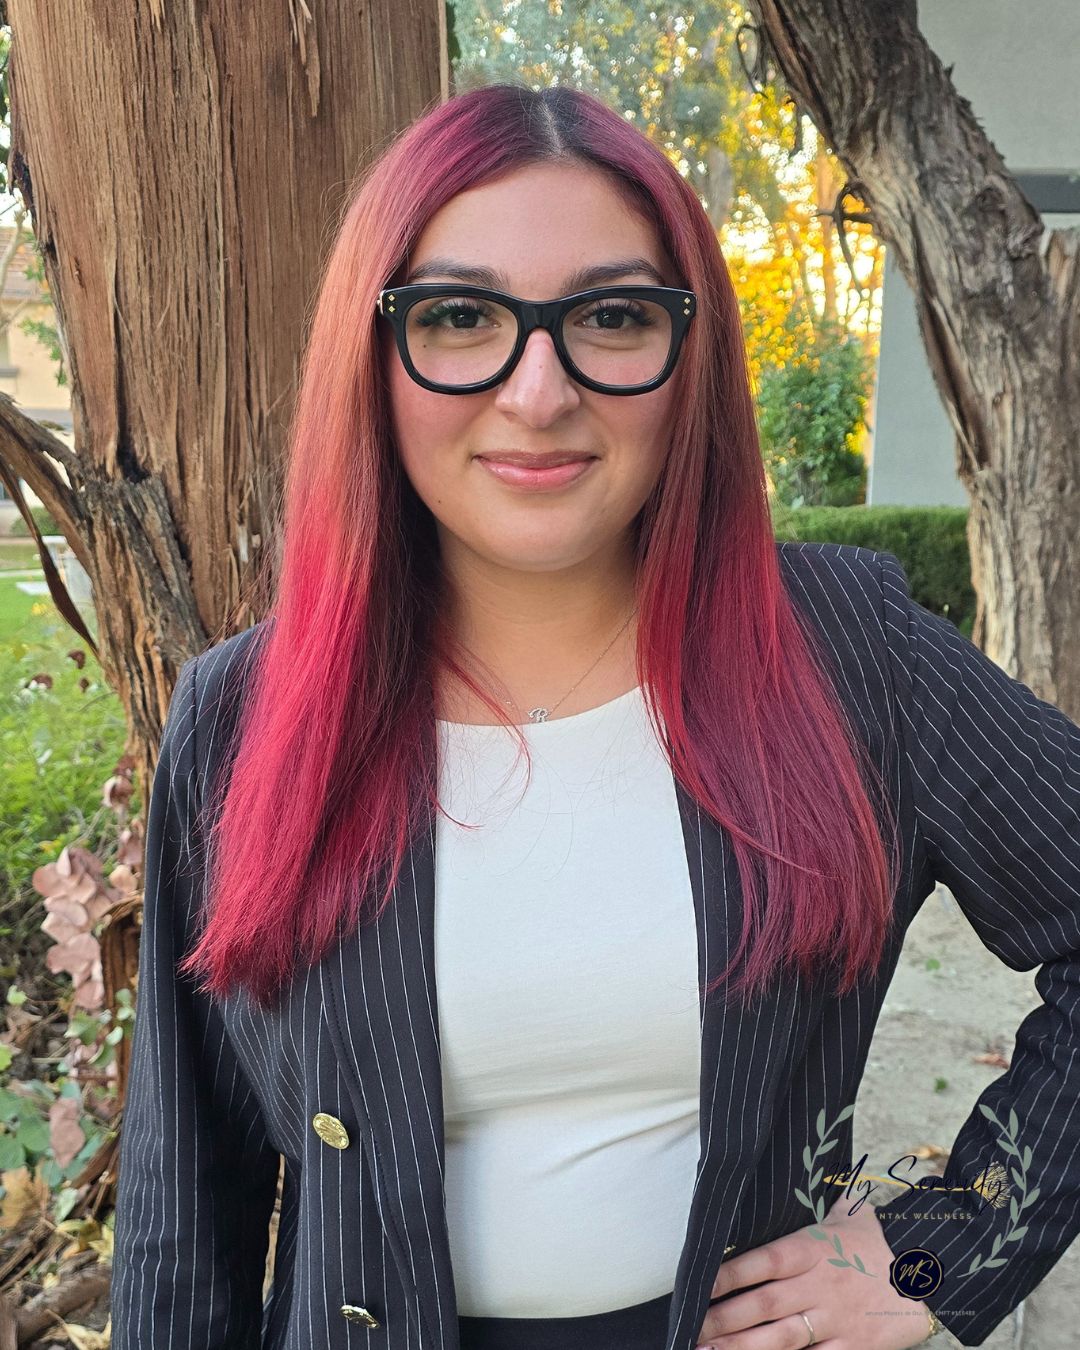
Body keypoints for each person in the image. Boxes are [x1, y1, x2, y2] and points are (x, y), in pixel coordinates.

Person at [111, 84, 1080, 1350]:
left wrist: (940, 1251)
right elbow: (187, 1204)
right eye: (460, 317)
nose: (538, 388)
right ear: (372, 348)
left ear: (692, 355)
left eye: (612, 317)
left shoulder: (848, 655)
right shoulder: (245, 717)